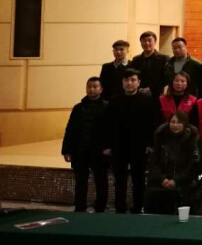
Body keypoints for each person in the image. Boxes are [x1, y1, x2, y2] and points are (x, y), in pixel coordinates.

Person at [107, 68, 160, 214]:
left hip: (140, 146)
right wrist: (109, 145)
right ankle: (120, 208)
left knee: (139, 179)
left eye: (133, 80)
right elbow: (108, 125)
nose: (129, 83)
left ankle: (138, 207)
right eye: (126, 80)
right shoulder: (114, 101)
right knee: (119, 179)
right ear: (122, 82)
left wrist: (150, 144)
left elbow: (153, 125)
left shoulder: (148, 101)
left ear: (139, 82)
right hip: (119, 146)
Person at [62, 77, 109, 213]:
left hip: (100, 152)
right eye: (89, 86)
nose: (92, 89)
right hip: (80, 151)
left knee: (101, 181)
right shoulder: (78, 108)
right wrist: (66, 150)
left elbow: (111, 130)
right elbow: (70, 129)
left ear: (101, 89)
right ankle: (80, 207)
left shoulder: (107, 107)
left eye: (95, 86)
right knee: (80, 181)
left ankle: (100, 207)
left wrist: (109, 148)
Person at [144, 111, 199, 215]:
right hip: (161, 181)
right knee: (152, 192)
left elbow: (192, 167)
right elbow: (153, 164)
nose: (175, 125)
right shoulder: (161, 139)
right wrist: (162, 179)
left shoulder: (191, 141)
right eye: (172, 122)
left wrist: (175, 180)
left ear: (185, 124)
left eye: (179, 122)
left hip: (183, 181)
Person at [131, 31, 169, 97]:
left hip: (157, 95)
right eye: (144, 41)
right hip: (139, 94)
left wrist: (151, 89)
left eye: (149, 40)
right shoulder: (136, 59)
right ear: (141, 43)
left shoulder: (164, 58)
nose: (147, 43)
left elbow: (166, 79)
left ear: (155, 42)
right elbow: (133, 76)